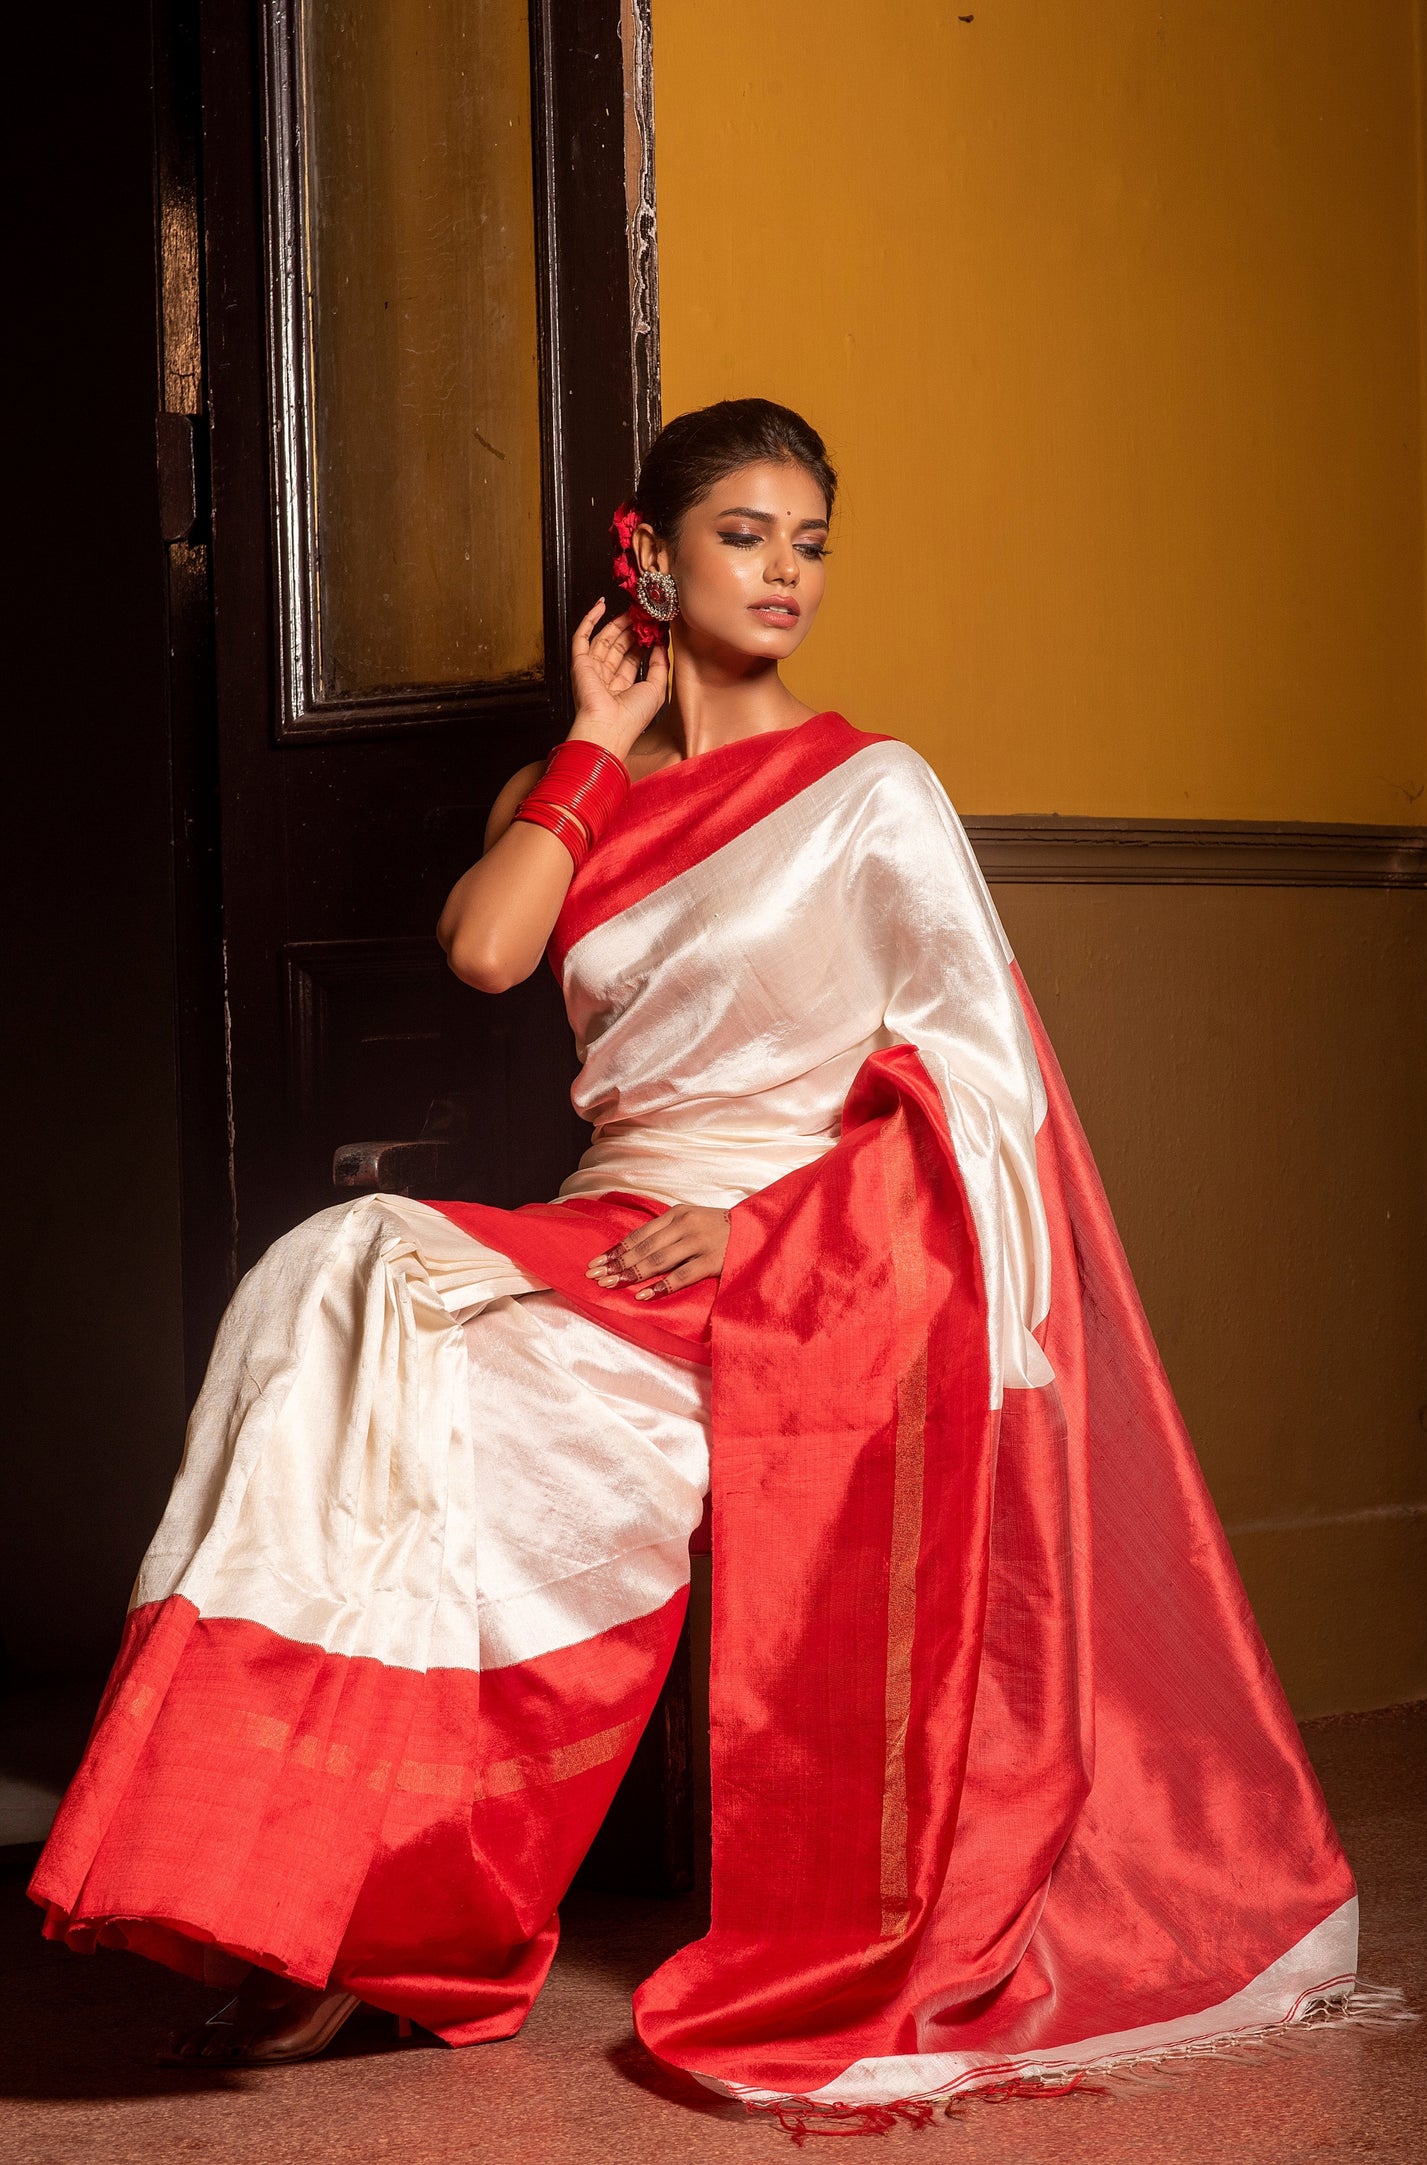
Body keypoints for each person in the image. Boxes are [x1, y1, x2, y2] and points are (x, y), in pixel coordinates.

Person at [32, 399, 1360, 2120]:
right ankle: (283, 1895)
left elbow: (981, 1094)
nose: (787, 572)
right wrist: (592, 745)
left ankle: (350, 1928)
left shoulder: (872, 792)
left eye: (809, 541)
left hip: (796, 1263)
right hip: (604, 1226)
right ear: (646, 553)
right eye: (745, 534)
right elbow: (486, 951)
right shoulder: (566, 785)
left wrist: (761, 1226)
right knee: (338, 1280)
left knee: (478, 1412)